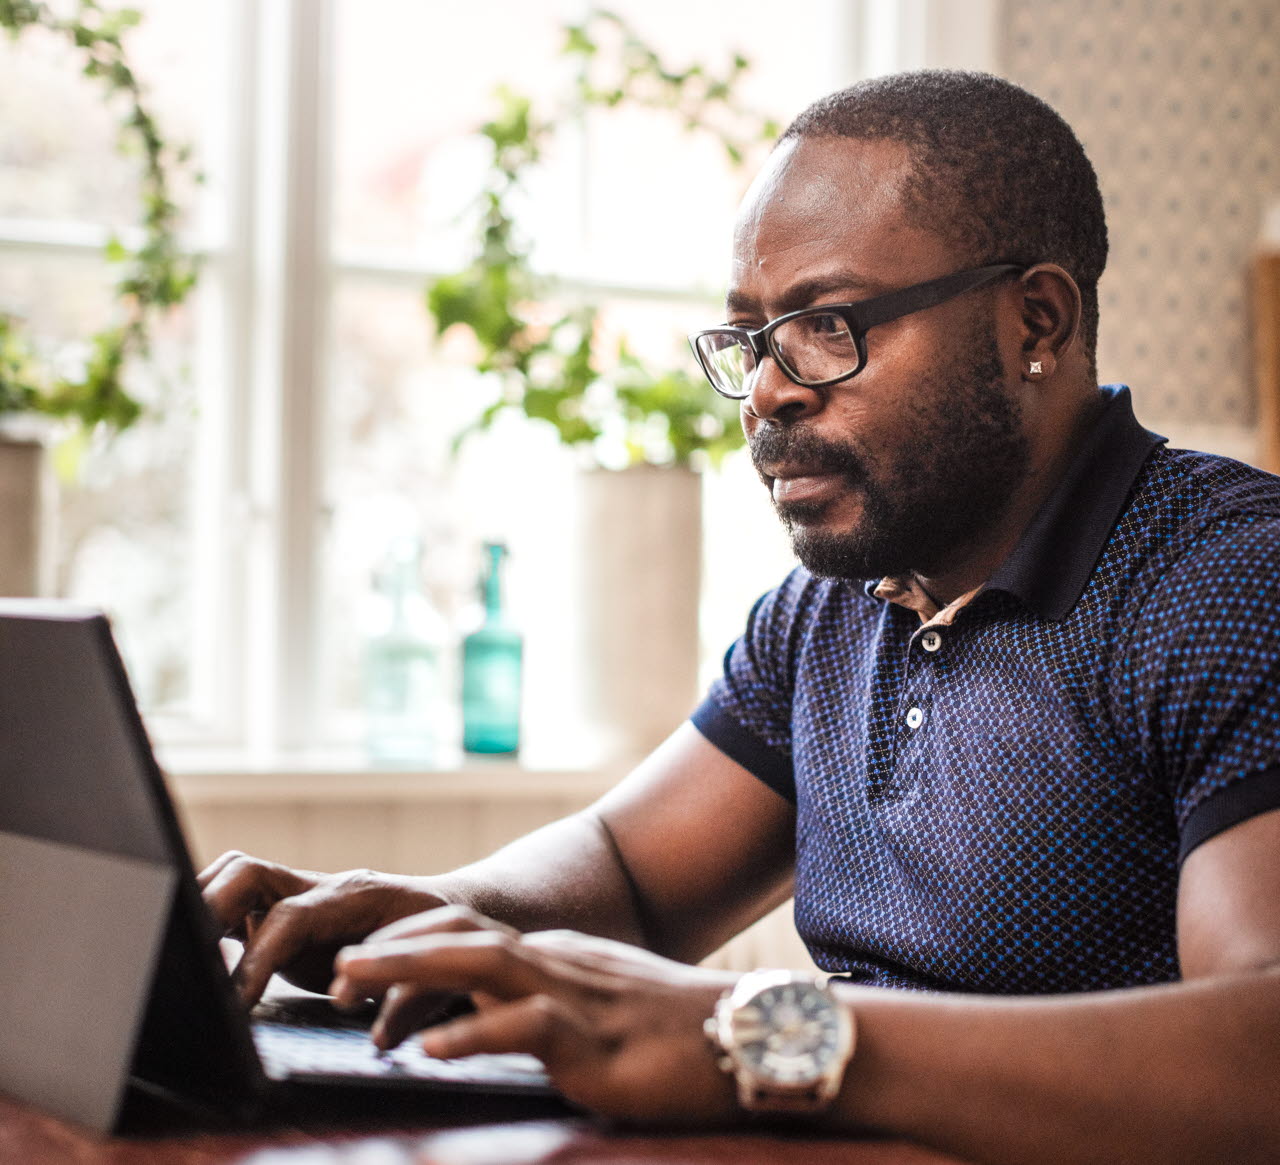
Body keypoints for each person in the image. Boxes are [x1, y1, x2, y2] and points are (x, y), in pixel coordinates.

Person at [200, 71, 1280, 1163]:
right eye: (750, 340)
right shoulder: (830, 606)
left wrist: (754, 1038)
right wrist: (423, 917)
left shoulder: (1229, 581)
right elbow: (627, 871)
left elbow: (1261, 1054)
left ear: (1032, 320)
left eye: (824, 325)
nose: (766, 391)